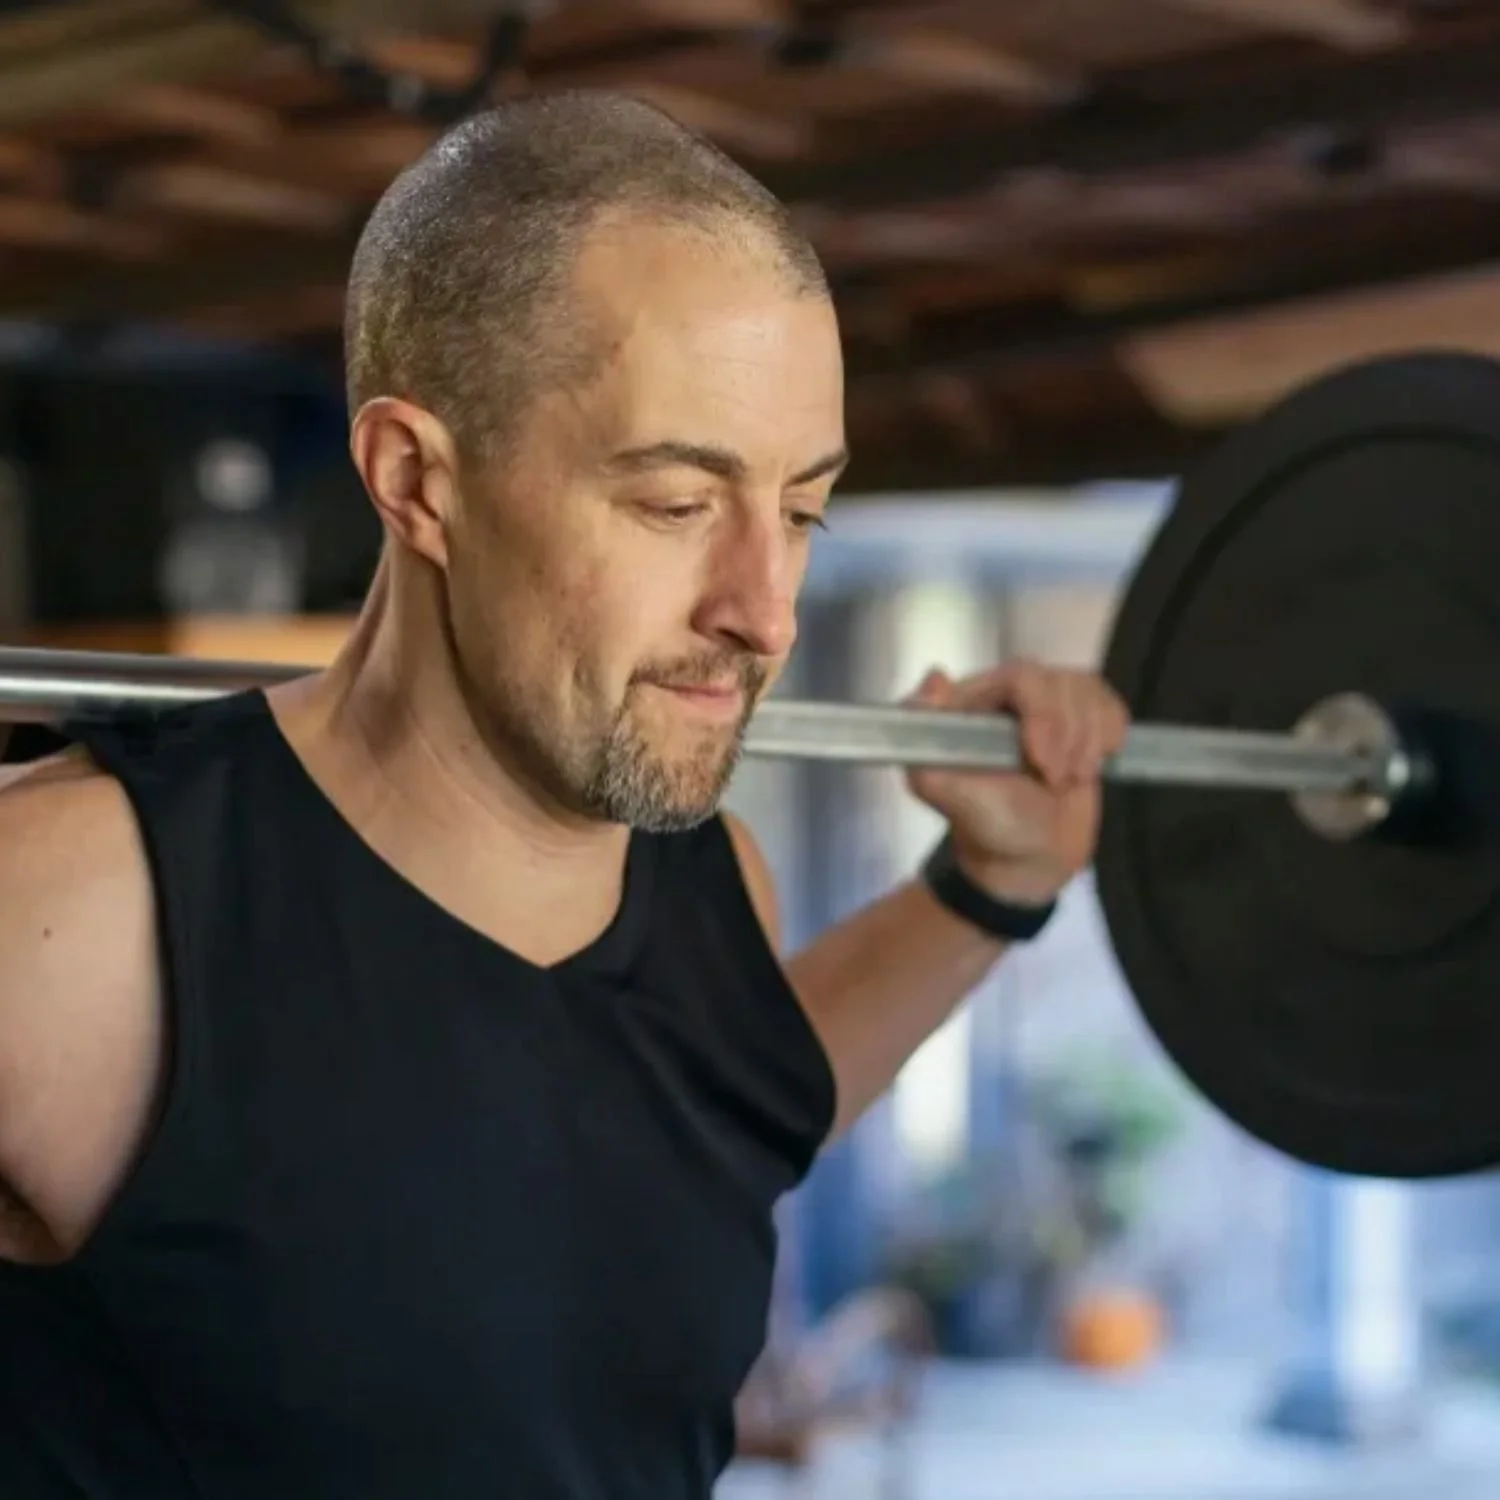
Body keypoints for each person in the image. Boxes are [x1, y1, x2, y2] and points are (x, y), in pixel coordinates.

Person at [0, 92, 1128, 1498]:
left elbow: (709, 1108)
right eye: (674, 504)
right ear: (415, 481)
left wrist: (991, 887)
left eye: (800, 511)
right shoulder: (64, 921)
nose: (765, 612)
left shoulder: (712, 889)